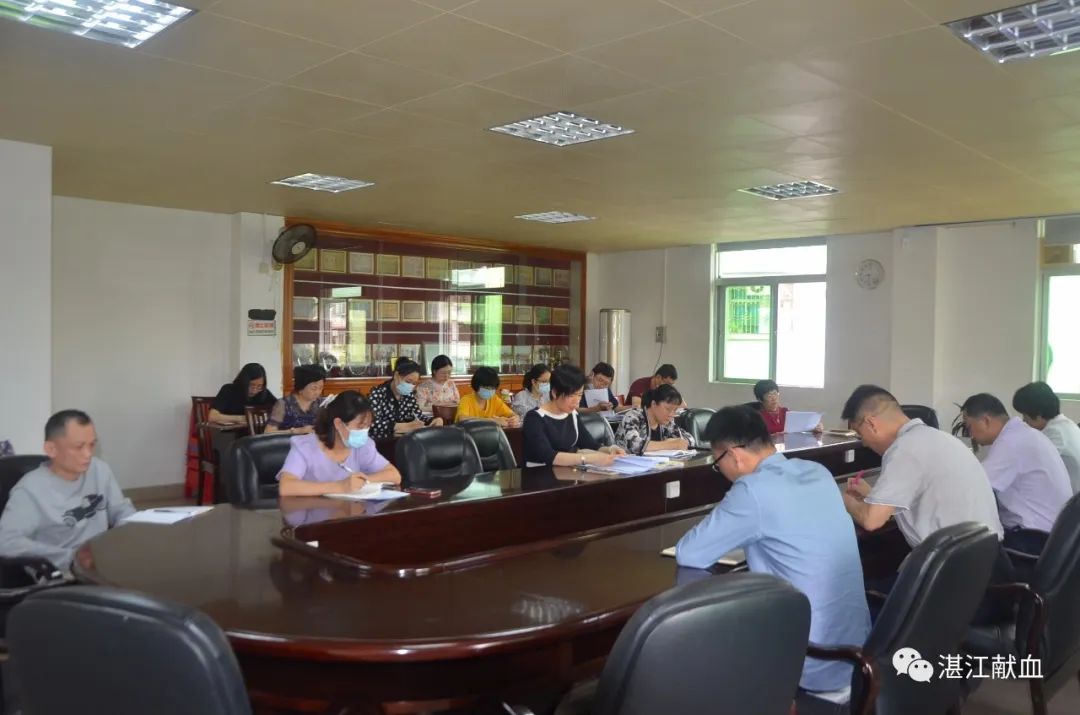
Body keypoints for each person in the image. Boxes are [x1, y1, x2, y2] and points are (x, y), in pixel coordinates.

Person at [676, 406, 870, 698]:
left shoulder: (753, 490)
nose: (721, 471)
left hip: (810, 659)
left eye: (717, 463)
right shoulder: (818, 471)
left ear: (734, 455)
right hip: (858, 650)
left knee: (699, 645)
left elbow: (689, 553)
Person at [840, 385, 1004, 546]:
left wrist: (841, 499)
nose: (865, 443)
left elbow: (871, 520)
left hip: (956, 560)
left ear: (871, 423)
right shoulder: (941, 438)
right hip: (987, 553)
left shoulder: (904, 449)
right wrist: (873, 496)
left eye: (860, 434)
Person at [0, 410, 135, 571]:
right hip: (61, 572)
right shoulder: (29, 490)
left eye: (92, 445)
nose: (88, 454)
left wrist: (128, 535)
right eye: (79, 447)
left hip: (100, 561)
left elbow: (121, 510)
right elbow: (6, 542)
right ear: (51, 449)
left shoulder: (99, 469)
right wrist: (70, 557)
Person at [962, 392, 1071, 554]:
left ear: (986, 421)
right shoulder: (1023, 434)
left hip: (1034, 539)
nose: (970, 434)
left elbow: (974, 486)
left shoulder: (1011, 442)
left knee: (969, 549)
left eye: (969, 427)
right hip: (1053, 534)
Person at [277, 391, 401, 497]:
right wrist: (340, 486)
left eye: (367, 427)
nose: (364, 432)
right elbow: (286, 487)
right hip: (312, 514)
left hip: (352, 513)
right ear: (338, 424)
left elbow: (394, 475)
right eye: (360, 427)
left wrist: (365, 480)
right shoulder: (305, 446)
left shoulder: (363, 446)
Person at [522, 364, 627, 467]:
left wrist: (610, 449)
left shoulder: (571, 414)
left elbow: (591, 444)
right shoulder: (534, 418)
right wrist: (588, 459)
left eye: (580, 395)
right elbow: (549, 456)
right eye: (571, 395)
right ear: (554, 393)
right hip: (539, 474)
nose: (577, 402)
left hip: (566, 473)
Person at [1013, 381, 1080, 494]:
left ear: (1039, 415)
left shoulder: (1055, 433)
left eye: (1025, 415)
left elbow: (1030, 464)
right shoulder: (1065, 424)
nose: (1024, 421)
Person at [368, 359, 443, 439]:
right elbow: (371, 424)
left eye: (414, 383)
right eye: (408, 381)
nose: (411, 386)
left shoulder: (409, 395)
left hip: (405, 440)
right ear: (396, 375)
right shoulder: (378, 394)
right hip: (382, 441)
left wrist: (434, 420)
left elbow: (419, 416)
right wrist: (400, 426)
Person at [615, 384, 693, 455]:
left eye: (674, 410)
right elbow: (634, 445)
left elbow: (690, 439)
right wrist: (670, 444)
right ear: (654, 404)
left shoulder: (667, 423)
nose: (672, 415)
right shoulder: (633, 417)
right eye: (668, 409)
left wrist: (678, 442)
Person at [208, 363, 276, 425]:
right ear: (243, 381)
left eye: (259, 386)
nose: (255, 390)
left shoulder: (263, 392)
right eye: (252, 385)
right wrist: (243, 418)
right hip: (230, 432)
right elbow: (212, 417)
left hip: (257, 433)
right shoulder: (228, 390)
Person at [265, 365, 325, 434]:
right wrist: (298, 431)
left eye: (321, 388)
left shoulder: (321, 403)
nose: (318, 392)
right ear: (301, 388)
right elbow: (268, 432)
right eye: (314, 388)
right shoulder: (283, 404)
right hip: (288, 440)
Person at [456, 367, 521, 428]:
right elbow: (462, 419)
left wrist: (515, 418)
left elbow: (511, 414)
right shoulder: (466, 400)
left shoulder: (494, 399)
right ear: (476, 385)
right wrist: (493, 421)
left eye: (492, 388)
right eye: (486, 388)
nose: (489, 391)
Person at [753, 379, 822, 435]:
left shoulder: (785, 412)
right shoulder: (756, 417)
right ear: (759, 399)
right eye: (769, 396)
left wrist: (813, 428)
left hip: (788, 447)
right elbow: (753, 440)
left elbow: (799, 429)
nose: (774, 398)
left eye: (775, 394)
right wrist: (774, 436)